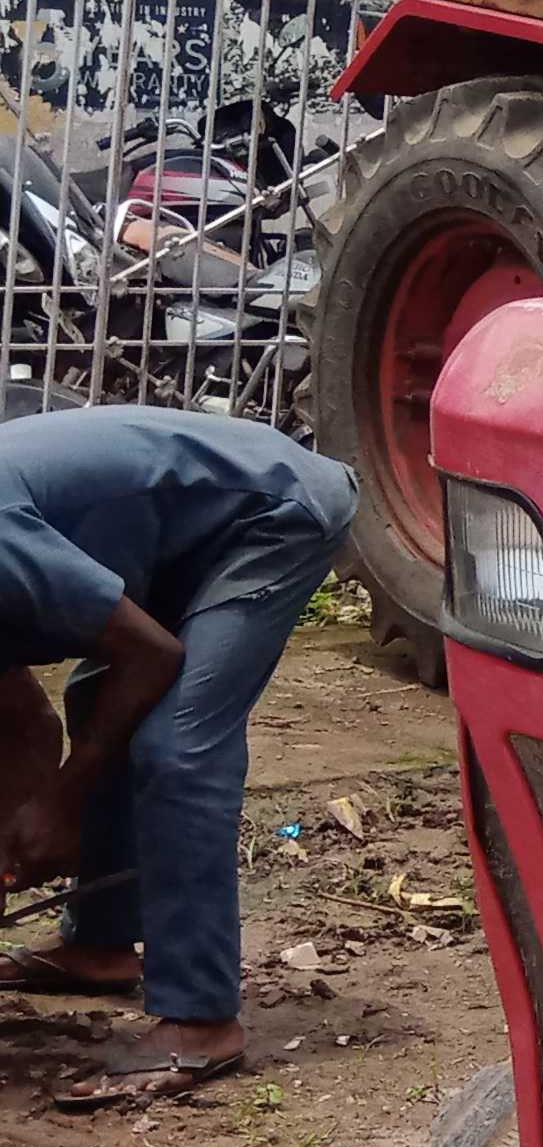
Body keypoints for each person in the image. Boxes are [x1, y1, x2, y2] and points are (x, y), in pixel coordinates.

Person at [0, 409, 357, 1102]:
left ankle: (201, 1020)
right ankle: (99, 947)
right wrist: (25, 824)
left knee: (178, 747)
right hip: (172, 530)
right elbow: (28, 723)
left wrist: (64, 802)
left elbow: (151, 653)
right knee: (99, 708)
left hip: (271, 509)